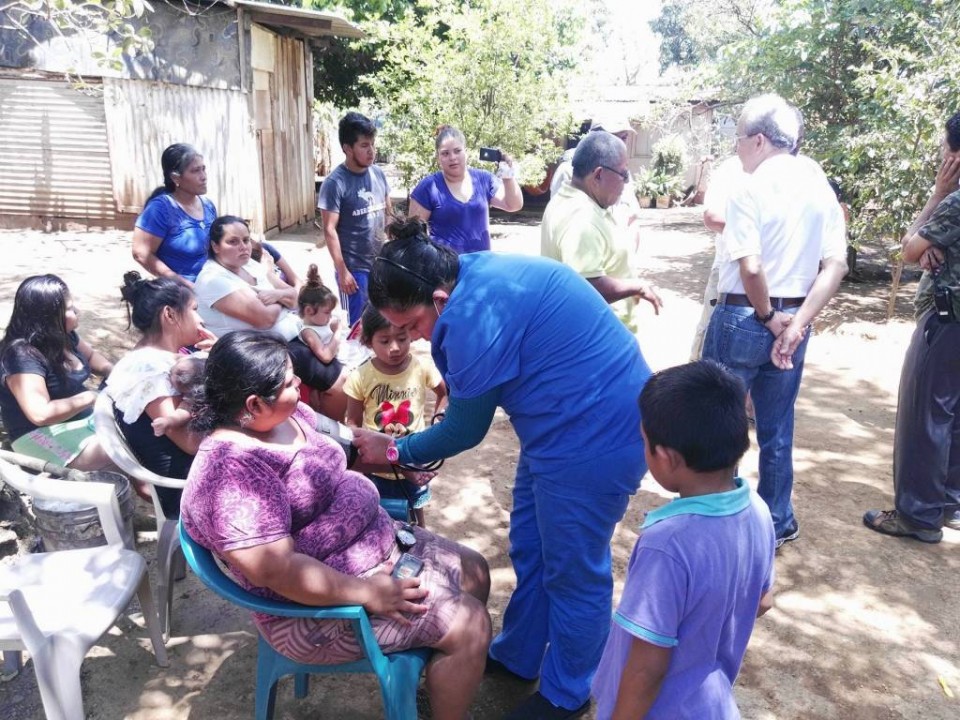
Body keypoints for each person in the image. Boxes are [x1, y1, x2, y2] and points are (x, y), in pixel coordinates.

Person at [352, 217, 653, 720]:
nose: (412, 339)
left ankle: (568, 692)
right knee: (532, 546)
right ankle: (519, 654)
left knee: (574, 569)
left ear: (440, 301)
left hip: (595, 432)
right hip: (560, 424)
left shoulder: (471, 315)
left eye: (411, 326)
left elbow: (464, 430)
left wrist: (391, 450)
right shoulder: (462, 272)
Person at [179, 330, 492, 720]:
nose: (300, 385)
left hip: (377, 546)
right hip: (316, 610)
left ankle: (447, 676)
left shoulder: (287, 415)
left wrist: (401, 460)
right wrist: (368, 593)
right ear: (254, 404)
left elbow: (348, 444)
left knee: (476, 570)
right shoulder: (231, 477)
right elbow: (278, 571)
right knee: (470, 623)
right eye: (291, 383)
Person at [702, 93, 848, 548]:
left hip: (744, 315)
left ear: (760, 141)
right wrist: (797, 323)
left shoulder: (751, 185)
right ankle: (777, 518)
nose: (738, 150)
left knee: (714, 419)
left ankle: (713, 517)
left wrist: (769, 318)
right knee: (777, 426)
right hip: (793, 320)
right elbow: (836, 266)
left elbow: (750, 266)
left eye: (740, 140)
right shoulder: (819, 185)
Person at [591, 360, 776, 719]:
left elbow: (647, 668)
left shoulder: (668, 543)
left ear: (666, 457)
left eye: (645, 442)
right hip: (712, 704)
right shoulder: (757, 509)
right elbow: (764, 599)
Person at [863, 111, 960, 544]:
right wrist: (929, 247)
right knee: (954, 414)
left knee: (925, 414)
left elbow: (908, 247)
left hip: (945, 321)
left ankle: (917, 514)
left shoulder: (954, 202)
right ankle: (950, 502)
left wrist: (938, 193)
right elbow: (924, 248)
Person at [107, 272, 213, 516]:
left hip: (199, 471)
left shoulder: (166, 356)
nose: (201, 320)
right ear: (170, 314)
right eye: (194, 309)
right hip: (190, 488)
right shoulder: (149, 369)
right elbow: (191, 442)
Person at [541, 131, 662, 333]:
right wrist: (636, 286)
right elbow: (587, 286)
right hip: (596, 339)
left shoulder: (574, 201)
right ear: (598, 174)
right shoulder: (581, 218)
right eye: (623, 174)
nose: (626, 183)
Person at [344, 305, 448, 528]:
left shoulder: (421, 368)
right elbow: (351, 424)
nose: (395, 348)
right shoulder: (360, 377)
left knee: (416, 512)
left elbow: (444, 392)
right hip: (377, 467)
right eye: (384, 341)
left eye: (402, 338)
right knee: (383, 516)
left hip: (415, 460)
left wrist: (438, 421)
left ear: (411, 334)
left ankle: (422, 541)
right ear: (368, 341)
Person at [0, 274, 114, 470]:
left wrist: (114, 373)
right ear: (48, 316)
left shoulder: (64, 335)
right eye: (69, 308)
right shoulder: (21, 356)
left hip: (78, 419)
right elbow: (40, 414)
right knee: (126, 443)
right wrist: (90, 397)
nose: (76, 311)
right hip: (38, 434)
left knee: (132, 433)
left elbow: (92, 357)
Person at [317, 111, 392, 325]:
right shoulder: (335, 183)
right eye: (364, 145)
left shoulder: (378, 174)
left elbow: (388, 215)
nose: (371, 151)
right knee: (358, 329)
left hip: (379, 266)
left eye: (372, 144)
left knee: (384, 325)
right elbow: (329, 230)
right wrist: (343, 272)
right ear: (347, 148)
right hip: (354, 272)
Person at [407, 125, 523, 254]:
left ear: (466, 152)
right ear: (438, 157)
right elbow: (413, 237)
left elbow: (513, 205)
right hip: (444, 269)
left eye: (457, 151)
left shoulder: (484, 179)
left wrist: (507, 174)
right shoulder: (428, 187)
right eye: (445, 153)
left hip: (480, 266)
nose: (452, 157)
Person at [194, 215, 301, 342]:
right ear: (215, 246)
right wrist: (283, 299)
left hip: (294, 336)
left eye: (246, 240)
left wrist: (276, 295)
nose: (243, 247)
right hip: (260, 353)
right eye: (233, 242)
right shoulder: (212, 279)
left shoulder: (249, 264)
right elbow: (266, 319)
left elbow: (295, 299)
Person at [550, 117, 643, 257]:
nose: (621, 146)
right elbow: (563, 227)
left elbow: (632, 218)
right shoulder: (570, 171)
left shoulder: (621, 173)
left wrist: (625, 259)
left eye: (624, 138)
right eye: (617, 138)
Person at [132, 143, 217, 284]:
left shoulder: (207, 205)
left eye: (203, 169)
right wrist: (183, 285)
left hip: (214, 283)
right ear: (175, 178)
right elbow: (141, 253)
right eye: (195, 171)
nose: (203, 177)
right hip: (183, 293)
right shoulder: (160, 209)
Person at [690, 154, 747, 360]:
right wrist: (755, 237)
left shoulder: (785, 170)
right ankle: (695, 382)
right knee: (710, 331)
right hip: (727, 268)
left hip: (770, 276)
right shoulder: (731, 169)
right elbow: (712, 217)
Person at [287, 264, 349, 420]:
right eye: (327, 312)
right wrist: (338, 331)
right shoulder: (309, 331)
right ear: (308, 311)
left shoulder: (320, 324)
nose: (329, 316)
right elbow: (326, 355)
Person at [149, 355, 205, 438]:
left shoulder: (194, 399)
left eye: (170, 374)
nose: (169, 371)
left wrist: (168, 421)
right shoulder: (206, 357)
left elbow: (182, 412)